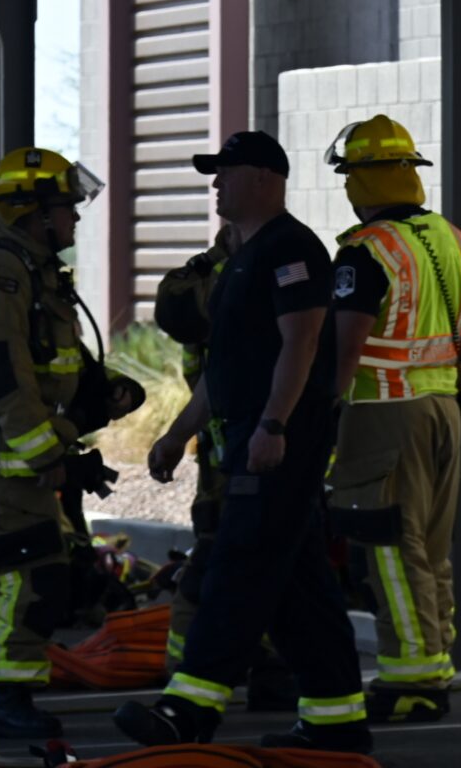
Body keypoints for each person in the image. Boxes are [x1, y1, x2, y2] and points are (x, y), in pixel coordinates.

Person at [114, 131, 370, 752]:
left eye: (225, 172)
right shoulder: (240, 261)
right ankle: (336, 720)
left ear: (263, 178)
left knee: (239, 564)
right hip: (251, 435)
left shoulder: (291, 249)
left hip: (279, 439)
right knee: (300, 585)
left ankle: (189, 709)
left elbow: (303, 342)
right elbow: (224, 365)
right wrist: (178, 433)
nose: (215, 183)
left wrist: (274, 424)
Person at [0, 147, 133, 739]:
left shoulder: (32, 273)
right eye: (66, 207)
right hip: (5, 454)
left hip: (7, 452)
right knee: (33, 573)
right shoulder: (0, 273)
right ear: (33, 214)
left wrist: (102, 392)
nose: (75, 217)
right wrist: (46, 453)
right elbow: (1, 370)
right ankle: (8, 701)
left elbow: (44, 363)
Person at [325, 114, 461, 724]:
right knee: (431, 549)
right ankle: (432, 662)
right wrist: (449, 391)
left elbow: (344, 350)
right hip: (445, 408)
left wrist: (316, 417)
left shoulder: (365, 252)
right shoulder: (459, 241)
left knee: (390, 545)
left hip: (383, 414)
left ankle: (411, 680)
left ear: (360, 180)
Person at [153, 226, 298, 712]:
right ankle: (191, 672)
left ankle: (259, 667)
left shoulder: (227, 278)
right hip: (236, 444)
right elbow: (217, 376)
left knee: (264, 555)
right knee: (219, 558)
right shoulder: (219, 280)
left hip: (243, 441)